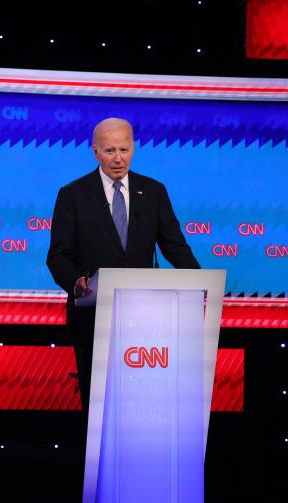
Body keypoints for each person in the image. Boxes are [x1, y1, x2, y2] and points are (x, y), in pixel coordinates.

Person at [46, 117, 199, 410]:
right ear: (95, 152)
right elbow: (58, 256)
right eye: (110, 150)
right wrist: (76, 282)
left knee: (142, 400)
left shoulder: (153, 192)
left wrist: (197, 280)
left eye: (124, 150)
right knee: (99, 401)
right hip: (93, 316)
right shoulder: (73, 195)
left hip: (146, 316)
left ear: (134, 149)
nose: (118, 158)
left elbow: (174, 245)